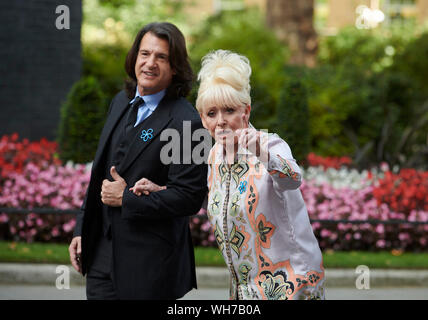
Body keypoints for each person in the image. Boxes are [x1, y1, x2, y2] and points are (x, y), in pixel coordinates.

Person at [132, 50, 325, 300]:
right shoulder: (214, 157)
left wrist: (260, 151)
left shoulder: (270, 144)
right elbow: (210, 199)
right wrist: (161, 191)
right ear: (203, 119)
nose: (221, 121)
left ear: (246, 111)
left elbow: (292, 179)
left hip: (291, 284)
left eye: (229, 110)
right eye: (211, 114)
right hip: (243, 289)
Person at [68, 22, 208, 300]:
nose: (150, 63)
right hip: (101, 257)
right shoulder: (121, 101)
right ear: (134, 58)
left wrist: (127, 199)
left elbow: (190, 198)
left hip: (151, 267)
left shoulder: (188, 123)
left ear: (176, 67)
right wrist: (82, 227)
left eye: (162, 57)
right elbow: (100, 172)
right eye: (145, 54)